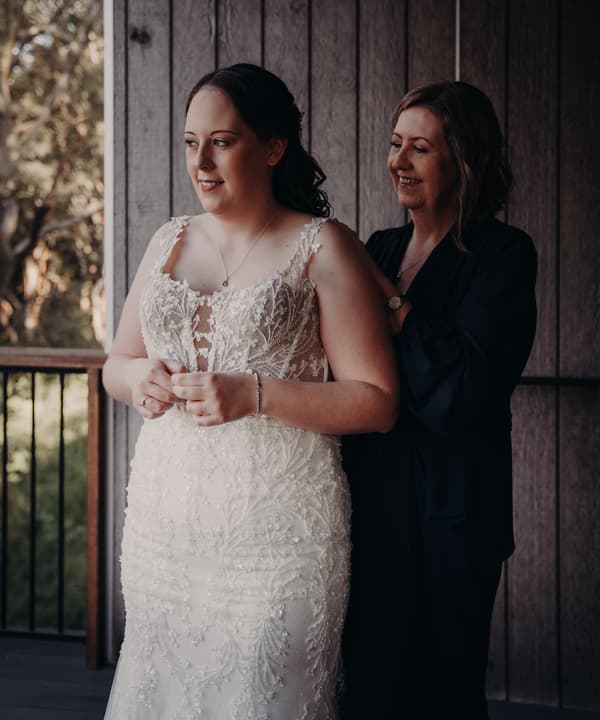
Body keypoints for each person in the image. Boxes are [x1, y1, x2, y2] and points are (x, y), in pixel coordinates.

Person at [102, 63, 397, 719]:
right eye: (189, 142)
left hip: (277, 533)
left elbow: (376, 399)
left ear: (272, 145)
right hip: (166, 525)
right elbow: (115, 362)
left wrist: (255, 395)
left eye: (222, 141)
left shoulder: (323, 248)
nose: (200, 162)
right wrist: (137, 378)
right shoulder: (168, 242)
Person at [341, 81, 537, 719]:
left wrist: (392, 302)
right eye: (395, 145)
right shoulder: (381, 248)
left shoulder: (502, 255)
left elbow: (465, 389)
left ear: (465, 161)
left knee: (442, 691)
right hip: (372, 501)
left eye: (419, 148)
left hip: (453, 512)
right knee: (370, 680)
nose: (398, 162)